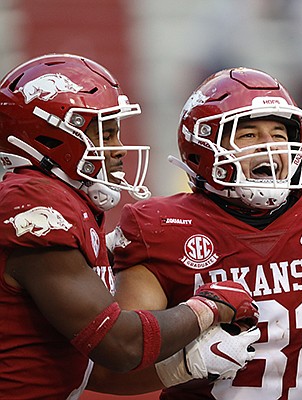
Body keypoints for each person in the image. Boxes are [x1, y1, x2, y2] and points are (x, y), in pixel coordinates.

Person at [90, 66, 302, 399]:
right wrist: (186, 363)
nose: (270, 147)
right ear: (202, 149)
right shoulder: (162, 227)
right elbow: (114, 365)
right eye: (249, 135)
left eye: (279, 135)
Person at [0, 54, 259, 399]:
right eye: (106, 132)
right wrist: (208, 306)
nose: (119, 148)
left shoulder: (56, 202)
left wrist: (186, 366)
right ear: (51, 136)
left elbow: (92, 371)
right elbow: (119, 344)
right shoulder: (33, 203)